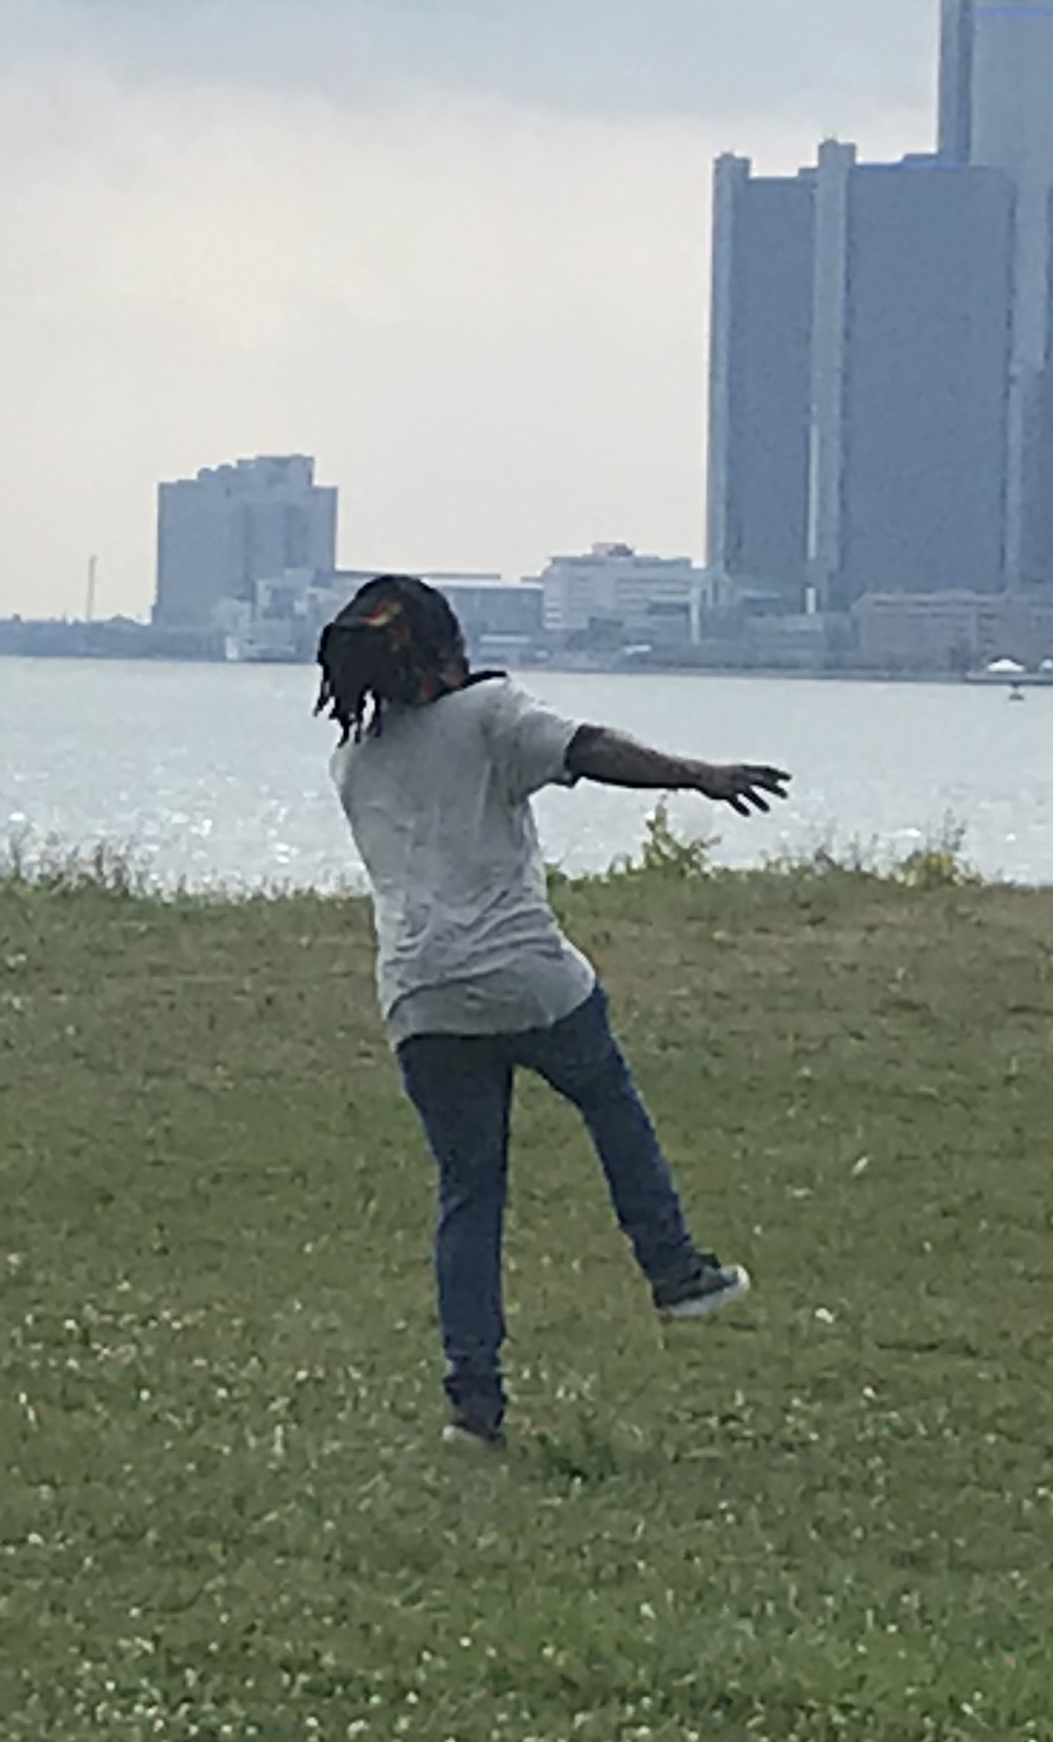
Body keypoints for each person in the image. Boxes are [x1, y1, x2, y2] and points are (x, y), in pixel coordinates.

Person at [316, 574, 787, 1446]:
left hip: (419, 994)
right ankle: (674, 1269)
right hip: (525, 975)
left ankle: (473, 1405)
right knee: (607, 1097)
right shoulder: (489, 715)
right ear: (445, 645)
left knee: (469, 1191)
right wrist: (699, 776)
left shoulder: (354, 761)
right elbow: (588, 748)